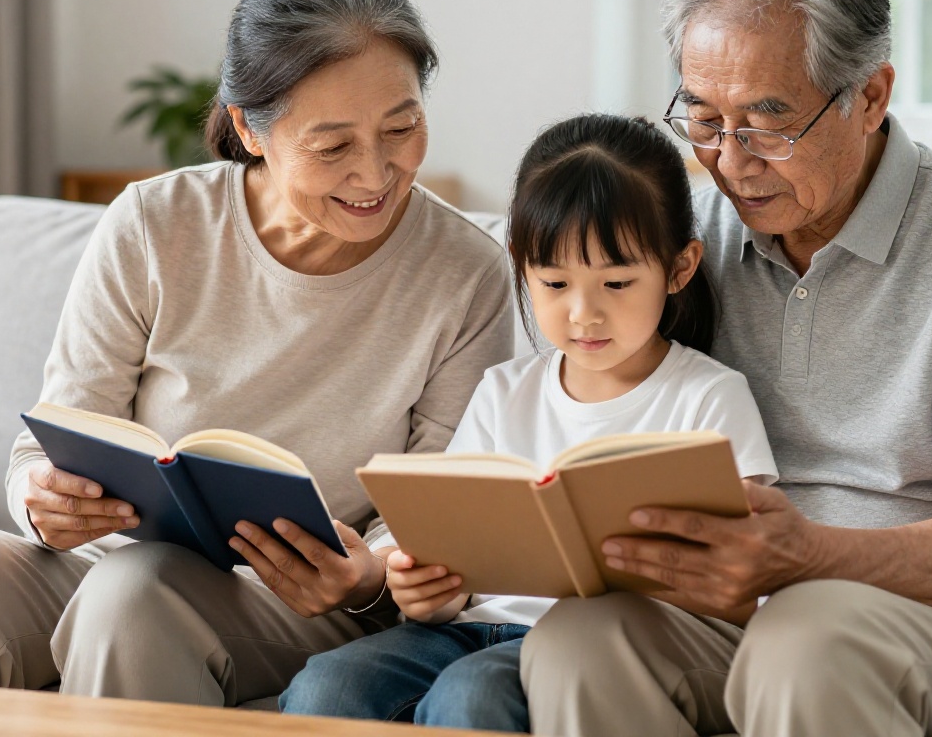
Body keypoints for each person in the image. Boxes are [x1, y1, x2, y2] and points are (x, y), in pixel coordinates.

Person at [0, 0, 515, 706]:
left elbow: (436, 513)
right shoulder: (155, 224)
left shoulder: (466, 272)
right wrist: (43, 498)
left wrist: (368, 573)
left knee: (138, 591)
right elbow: (53, 436)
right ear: (249, 132)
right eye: (333, 147)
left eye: (403, 127)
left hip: (293, 602)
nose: (378, 172)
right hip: (111, 566)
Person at [518, 0, 932, 737]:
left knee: (804, 640)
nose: (731, 161)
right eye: (704, 119)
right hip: (757, 612)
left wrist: (811, 559)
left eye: (768, 121)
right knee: (579, 641)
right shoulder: (693, 242)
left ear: (870, 96)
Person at [278, 114, 779, 731]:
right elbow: (449, 547)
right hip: (469, 629)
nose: (583, 313)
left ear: (678, 270)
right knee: (325, 685)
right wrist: (424, 588)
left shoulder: (708, 397)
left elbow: (747, 582)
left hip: (590, 647)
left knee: (470, 695)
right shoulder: (503, 392)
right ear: (523, 267)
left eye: (617, 283)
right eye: (554, 282)